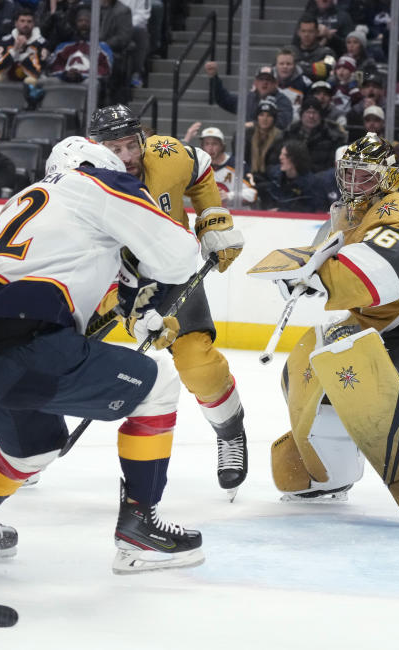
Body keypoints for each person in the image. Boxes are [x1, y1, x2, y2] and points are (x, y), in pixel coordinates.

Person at [0, 136, 204, 572]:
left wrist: (134, 310)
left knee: (34, 449)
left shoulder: (22, 201)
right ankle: (140, 530)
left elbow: (68, 286)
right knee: (159, 384)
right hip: (32, 351)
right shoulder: (93, 183)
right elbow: (178, 258)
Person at [253, 132, 399, 525]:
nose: (353, 183)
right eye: (348, 173)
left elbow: (383, 268)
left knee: (369, 391)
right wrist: (302, 274)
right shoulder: (347, 214)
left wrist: (325, 280)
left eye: (364, 176)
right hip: (395, 325)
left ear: (388, 178)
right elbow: (324, 259)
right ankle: (329, 477)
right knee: (307, 369)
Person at [88, 104, 248, 498]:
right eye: (115, 149)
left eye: (132, 144)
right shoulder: (84, 186)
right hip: (105, 278)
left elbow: (201, 167)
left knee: (197, 363)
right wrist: (128, 312)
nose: (127, 158)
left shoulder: (165, 154)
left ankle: (230, 433)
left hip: (172, 273)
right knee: (52, 352)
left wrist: (211, 218)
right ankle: (30, 442)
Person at [206, 63, 294, 130]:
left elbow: (283, 122)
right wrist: (214, 78)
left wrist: (255, 124)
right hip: (248, 143)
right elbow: (223, 99)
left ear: (276, 83)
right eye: (261, 79)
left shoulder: (283, 101)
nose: (265, 82)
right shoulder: (248, 99)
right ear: (255, 82)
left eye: (269, 80)